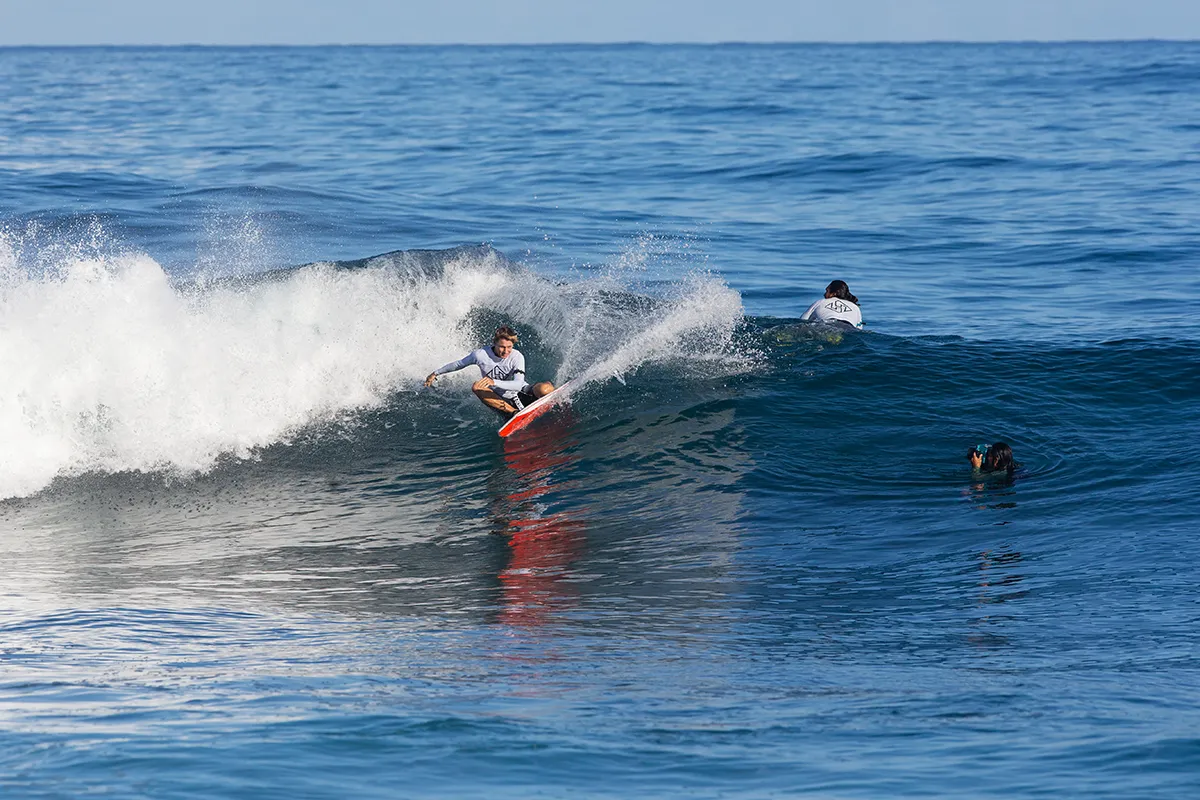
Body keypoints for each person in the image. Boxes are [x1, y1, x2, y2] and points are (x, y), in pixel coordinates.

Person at [424, 325, 555, 417]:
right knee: (476, 386)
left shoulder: (517, 356)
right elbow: (459, 364)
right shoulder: (480, 355)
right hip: (501, 400)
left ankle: (552, 393)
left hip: (522, 392)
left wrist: (493, 381)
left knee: (545, 389)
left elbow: (519, 384)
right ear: (494, 343)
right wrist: (436, 373)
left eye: (509, 347)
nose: (505, 351)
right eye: (502, 347)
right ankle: (514, 413)